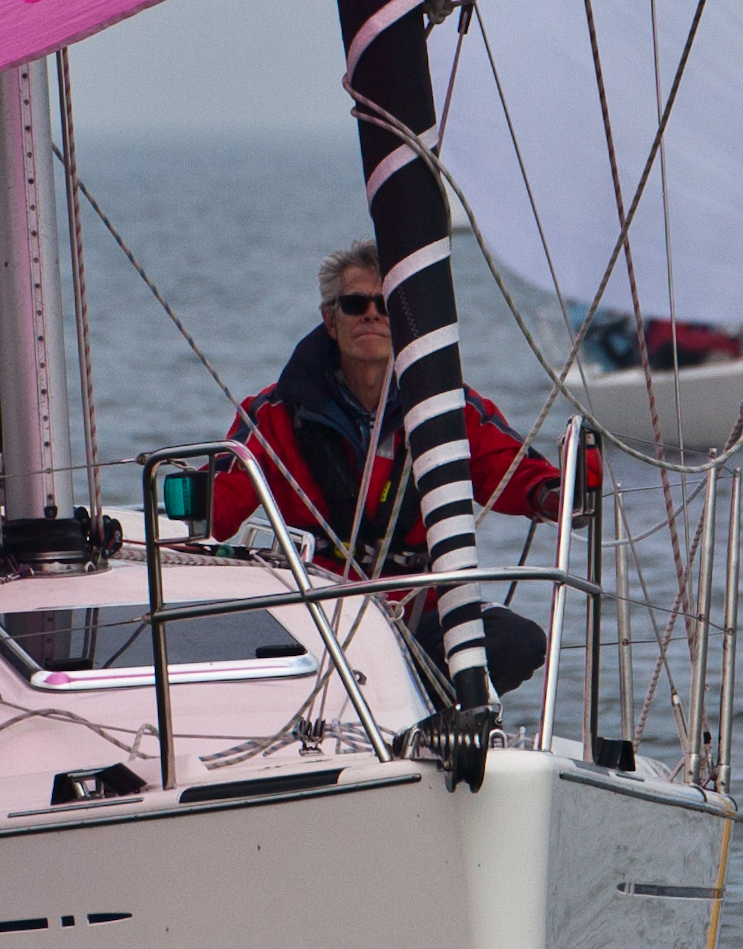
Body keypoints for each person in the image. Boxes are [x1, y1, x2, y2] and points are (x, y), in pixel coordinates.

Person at [207, 241, 569, 695]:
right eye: (355, 304)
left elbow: (510, 469)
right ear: (330, 320)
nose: (372, 315)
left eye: (387, 305)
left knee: (519, 642)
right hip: (317, 613)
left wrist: (557, 494)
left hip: (419, 612)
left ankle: (418, 723)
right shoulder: (273, 414)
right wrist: (182, 509)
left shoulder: (448, 407)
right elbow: (216, 503)